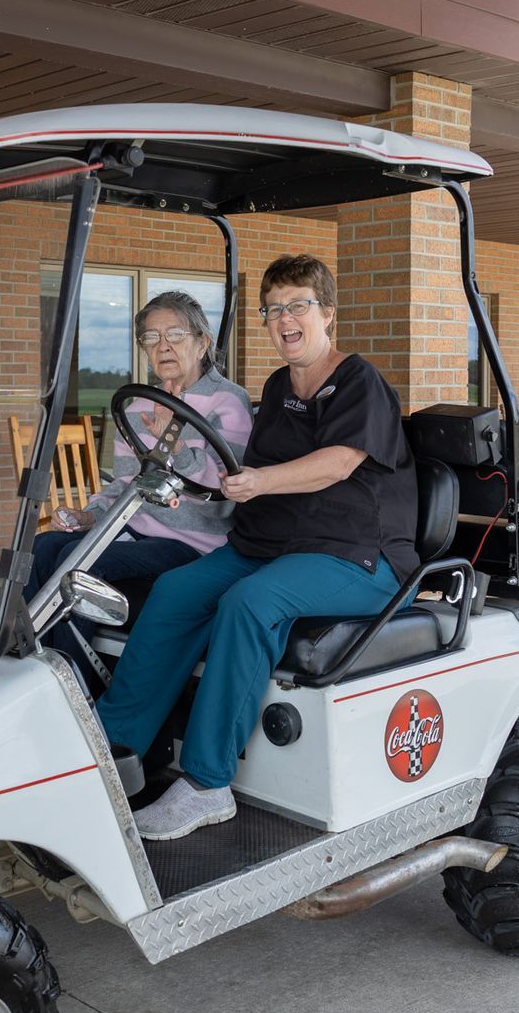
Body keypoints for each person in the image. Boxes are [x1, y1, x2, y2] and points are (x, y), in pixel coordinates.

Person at [95, 255, 419, 840]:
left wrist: (259, 482)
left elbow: (335, 464)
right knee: (176, 590)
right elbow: (241, 468)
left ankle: (205, 784)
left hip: (357, 557)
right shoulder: (276, 385)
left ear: (327, 315)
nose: (284, 319)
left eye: (298, 306)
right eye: (274, 310)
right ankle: (111, 749)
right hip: (276, 543)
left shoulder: (358, 382)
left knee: (249, 603)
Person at [25, 290, 251, 683]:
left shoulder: (228, 402)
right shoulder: (137, 406)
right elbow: (126, 487)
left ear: (202, 342)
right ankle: (29, 664)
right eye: (151, 338)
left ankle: (75, 686)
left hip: (193, 544)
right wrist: (89, 514)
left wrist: (174, 446)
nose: (162, 346)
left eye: (175, 335)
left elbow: (222, 498)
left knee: (77, 567)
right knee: (42, 547)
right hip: (135, 531)